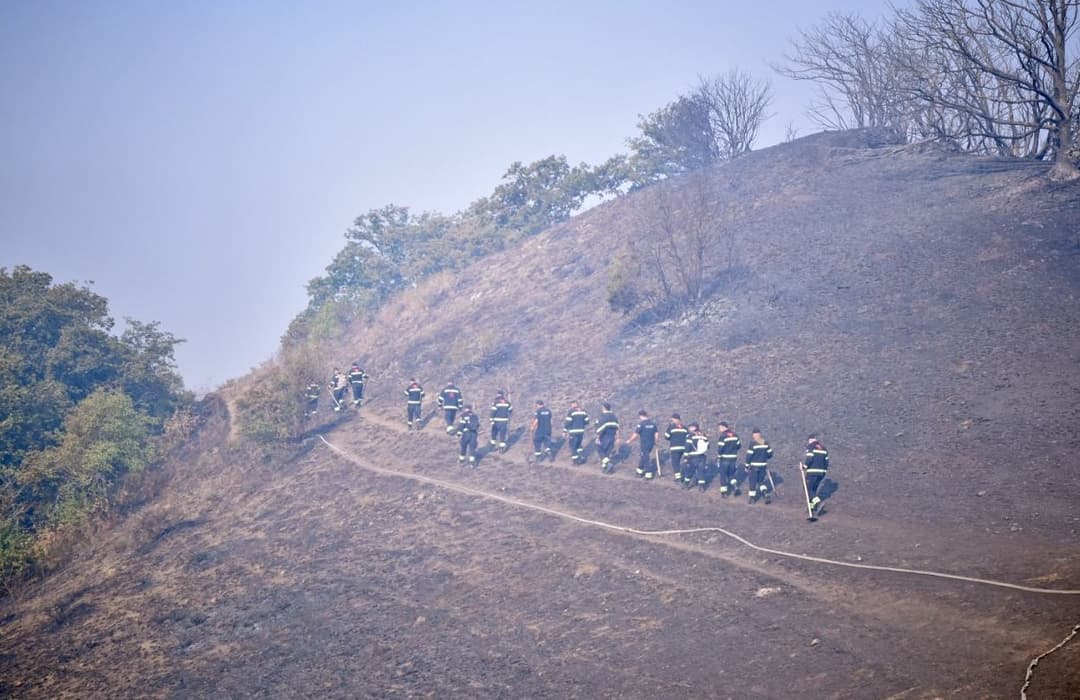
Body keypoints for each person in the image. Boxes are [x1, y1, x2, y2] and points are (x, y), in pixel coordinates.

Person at [626, 409, 659, 480]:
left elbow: (635, 435)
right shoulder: (653, 424)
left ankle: (648, 475)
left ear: (641, 416)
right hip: (651, 444)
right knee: (643, 456)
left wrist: (630, 440)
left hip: (644, 444)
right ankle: (639, 472)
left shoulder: (641, 424)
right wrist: (656, 441)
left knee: (646, 459)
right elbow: (656, 433)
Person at [802, 434, 830, 516]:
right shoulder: (824, 448)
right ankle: (811, 507)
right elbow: (826, 461)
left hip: (812, 472)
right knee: (813, 489)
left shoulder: (811, 447)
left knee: (808, 489)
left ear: (810, 440)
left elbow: (809, 458)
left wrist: (804, 466)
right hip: (821, 473)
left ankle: (818, 503)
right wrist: (824, 471)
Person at [745, 428, 774, 504]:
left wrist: (747, 465)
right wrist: (764, 457)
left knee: (752, 482)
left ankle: (752, 498)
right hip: (763, 466)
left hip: (754, 466)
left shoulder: (752, 444)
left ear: (753, 435)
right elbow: (770, 454)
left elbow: (749, 456)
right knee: (761, 481)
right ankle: (765, 493)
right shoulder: (765, 443)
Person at [715, 421, 742, 497]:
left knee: (723, 475)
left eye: (720, 427)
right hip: (733, 458)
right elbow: (739, 446)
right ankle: (735, 486)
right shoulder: (735, 435)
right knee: (731, 474)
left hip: (724, 458)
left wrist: (719, 456)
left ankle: (724, 493)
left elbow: (720, 449)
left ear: (724, 427)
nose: (719, 429)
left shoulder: (723, 436)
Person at [595, 402, 620, 473]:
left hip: (604, 437)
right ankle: (606, 468)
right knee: (607, 453)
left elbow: (600, 428)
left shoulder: (603, 417)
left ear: (604, 408)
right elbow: (617, 428)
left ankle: (608, 464)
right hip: (612, 437)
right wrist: (618, 437)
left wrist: (597, 438)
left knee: (600, 450)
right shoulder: (614, 417)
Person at [664, 413, 689, 481]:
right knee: (684, 461)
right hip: (683, 448)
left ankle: (678, 477)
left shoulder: (671, 427)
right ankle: (686, 476)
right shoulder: (685, 428)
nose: (672, 421)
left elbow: (666, 436)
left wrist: (672, 438)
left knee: (675, 462)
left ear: (675, 419)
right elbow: (688, 438)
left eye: (673, 419)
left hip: (675, 448)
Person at [685, 424, 710, 490]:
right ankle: (701, 487)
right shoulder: (704, 437)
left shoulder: (690, 437)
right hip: (702, 457)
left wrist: (686, 457)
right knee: (701, 471)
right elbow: (708, 447)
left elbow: (687, 447)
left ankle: (686, 484)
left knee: (690, 470)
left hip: (693, 456)